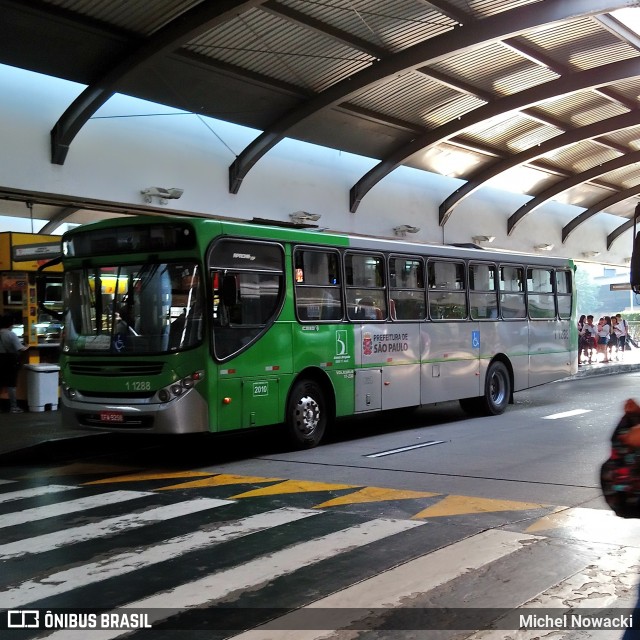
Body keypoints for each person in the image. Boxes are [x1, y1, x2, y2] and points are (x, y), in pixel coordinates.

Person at [0, 315, 28, 413]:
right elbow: (21, 348)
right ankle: (13, 407)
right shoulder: (11, 334)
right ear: (10, 324)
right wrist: (28, 346)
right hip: (9, 360)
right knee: (11, 384)